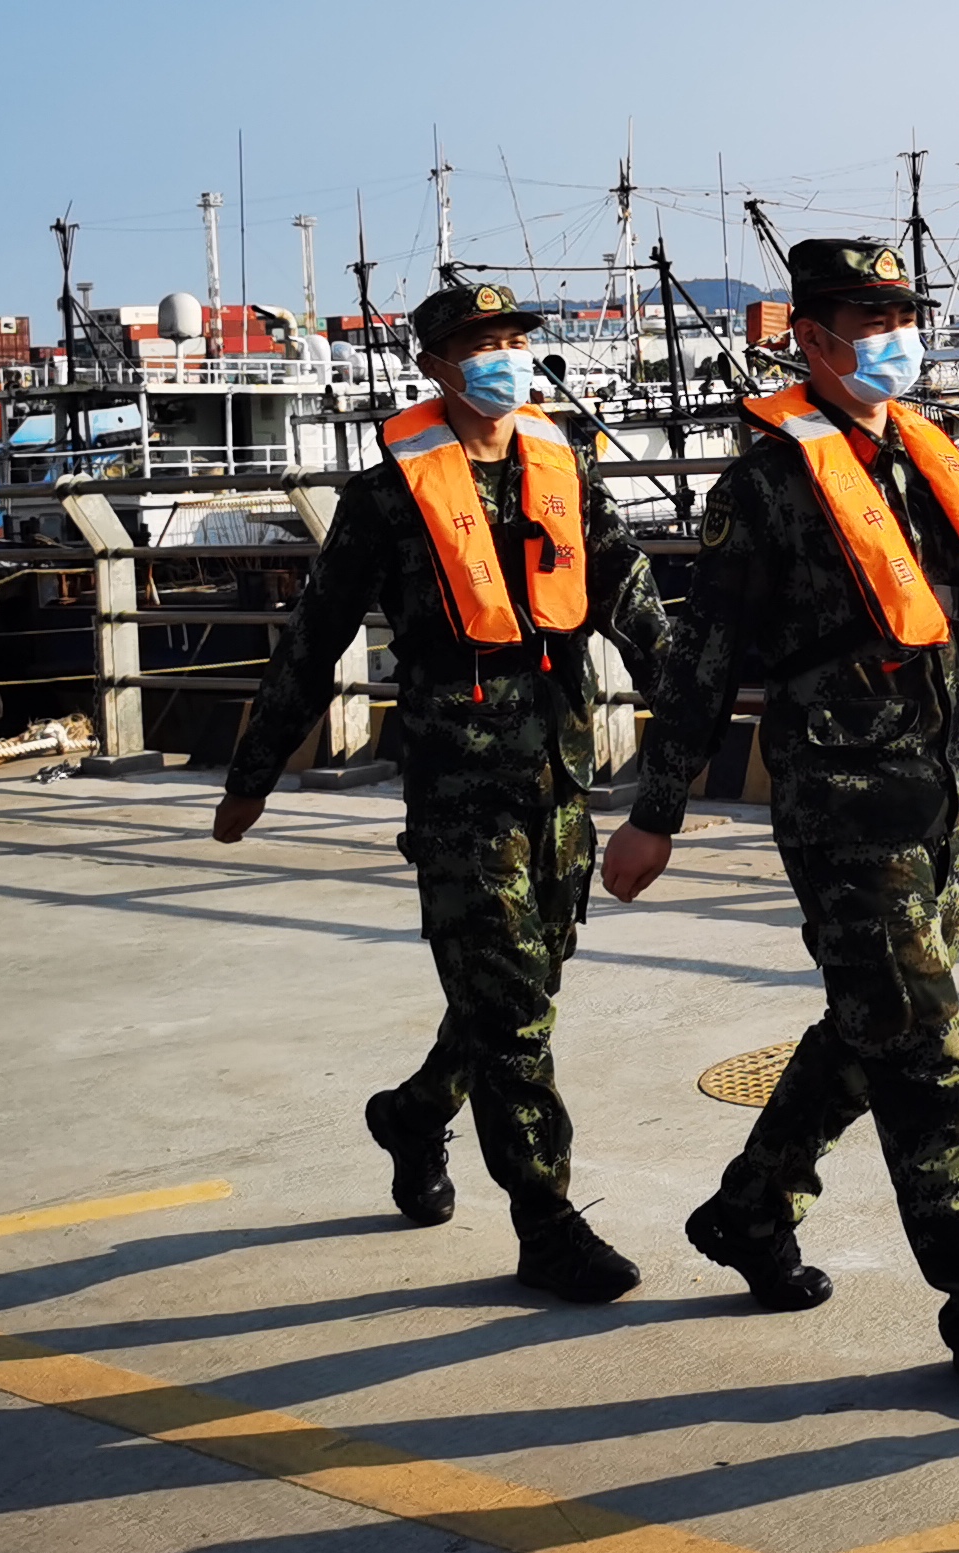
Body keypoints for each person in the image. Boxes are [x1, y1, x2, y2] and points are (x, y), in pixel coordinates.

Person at [607, 237, 959, 1404]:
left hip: (941, 789)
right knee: (925, 1046)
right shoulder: (763, 487)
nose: (892, 334)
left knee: (872, 1024)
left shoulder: (920, 453)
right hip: (842, 803)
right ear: (810, 335)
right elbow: (702, 660)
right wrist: (657, 815)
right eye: (866, 316)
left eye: (902, 312)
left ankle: (750, 1210)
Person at [214, 277, 664, 1304]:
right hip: (459, 791)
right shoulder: (389, 499)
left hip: (558, 779)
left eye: (509, 336)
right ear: (435, 366)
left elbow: (639, 610)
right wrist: (254, 779)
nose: (499, 354)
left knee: (525, 984)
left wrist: (683, 753)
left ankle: (416, 1113)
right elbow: (315, 637)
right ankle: (545, 1222)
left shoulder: (569, 474)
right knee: (510, 1009)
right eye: (477, 341)